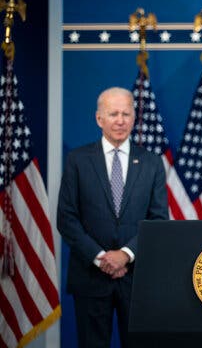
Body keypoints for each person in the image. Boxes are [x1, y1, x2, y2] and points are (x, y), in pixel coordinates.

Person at [57, 87, 168, 348]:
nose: (120, 120)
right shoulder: (77, 160)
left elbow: (158, 219)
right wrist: (101, 258)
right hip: (90, 276)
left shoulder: (152, 162)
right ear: (99, 119)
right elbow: (66, 218)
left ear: (134, 117)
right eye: (113, 114)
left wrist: (126, 254)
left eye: (126, 114)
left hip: (137, 278)